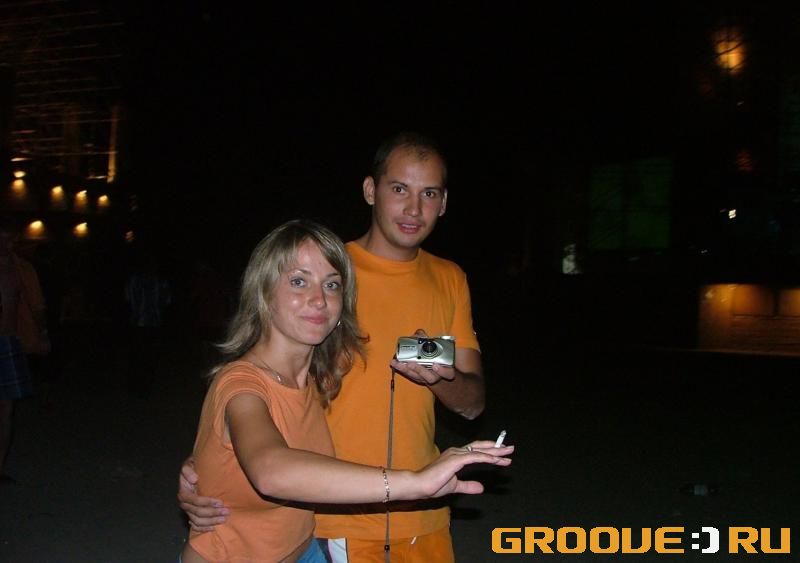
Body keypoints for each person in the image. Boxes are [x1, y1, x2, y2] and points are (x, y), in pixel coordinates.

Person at [179, 132, 487, 562]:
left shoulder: (450, 279)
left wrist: (441, 378)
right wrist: (209, 467)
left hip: (425, 511)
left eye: (429, 193)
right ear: (370, 190)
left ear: (444, 202)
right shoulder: (328, 266)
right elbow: (256, 401)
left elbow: (473, 404)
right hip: (334, 519)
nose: (414, 209)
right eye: (399, 189)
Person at [0, 218, 49, 483]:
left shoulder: (21, 269)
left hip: (8, 342)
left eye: (11, 239)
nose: (8, 244)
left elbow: (36, 305)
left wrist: (41, 334)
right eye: (3, 238)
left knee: (6, 410)